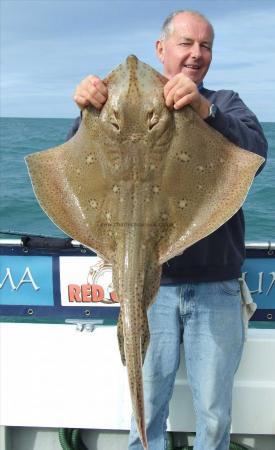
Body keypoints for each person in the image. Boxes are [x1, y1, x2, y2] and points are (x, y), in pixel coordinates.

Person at [69, 10, 267, 450]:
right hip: (150, 289)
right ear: (162, 49)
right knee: (146, 405)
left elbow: (254, 153)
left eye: (206, 45)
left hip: (216, 287)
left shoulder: (225, 102)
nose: (197, 54)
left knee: (214, 414)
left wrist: (205, 108)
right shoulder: (111, 111)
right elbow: (74, 162)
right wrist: (85, 112)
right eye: (186, 43)